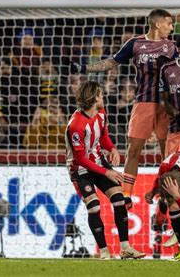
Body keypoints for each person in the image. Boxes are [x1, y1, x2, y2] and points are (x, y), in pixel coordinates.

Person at [70, 9, 177, 209]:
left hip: (166, 105)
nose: (171, 28)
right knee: (133, 149)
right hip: (143, 101)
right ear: (157, 24)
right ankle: (126, 194)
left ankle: (166, 195)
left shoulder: (172, 47)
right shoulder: (135, 43)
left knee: (167, 153)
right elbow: (111, 62)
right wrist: (85, 68)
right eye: (169, 23)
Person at [65, 80, 145, 260]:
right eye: (100, 94)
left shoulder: (101, 112)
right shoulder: (76, 125)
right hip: (80, 169)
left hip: (99, 162)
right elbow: (80, 159)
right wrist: (107, 172)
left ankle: (125, 248)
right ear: (94, 98)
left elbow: (103, 136)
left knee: (120, 200)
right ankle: (104, 252)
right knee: (94, 207)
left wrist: (113, 148)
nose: (103, 97)